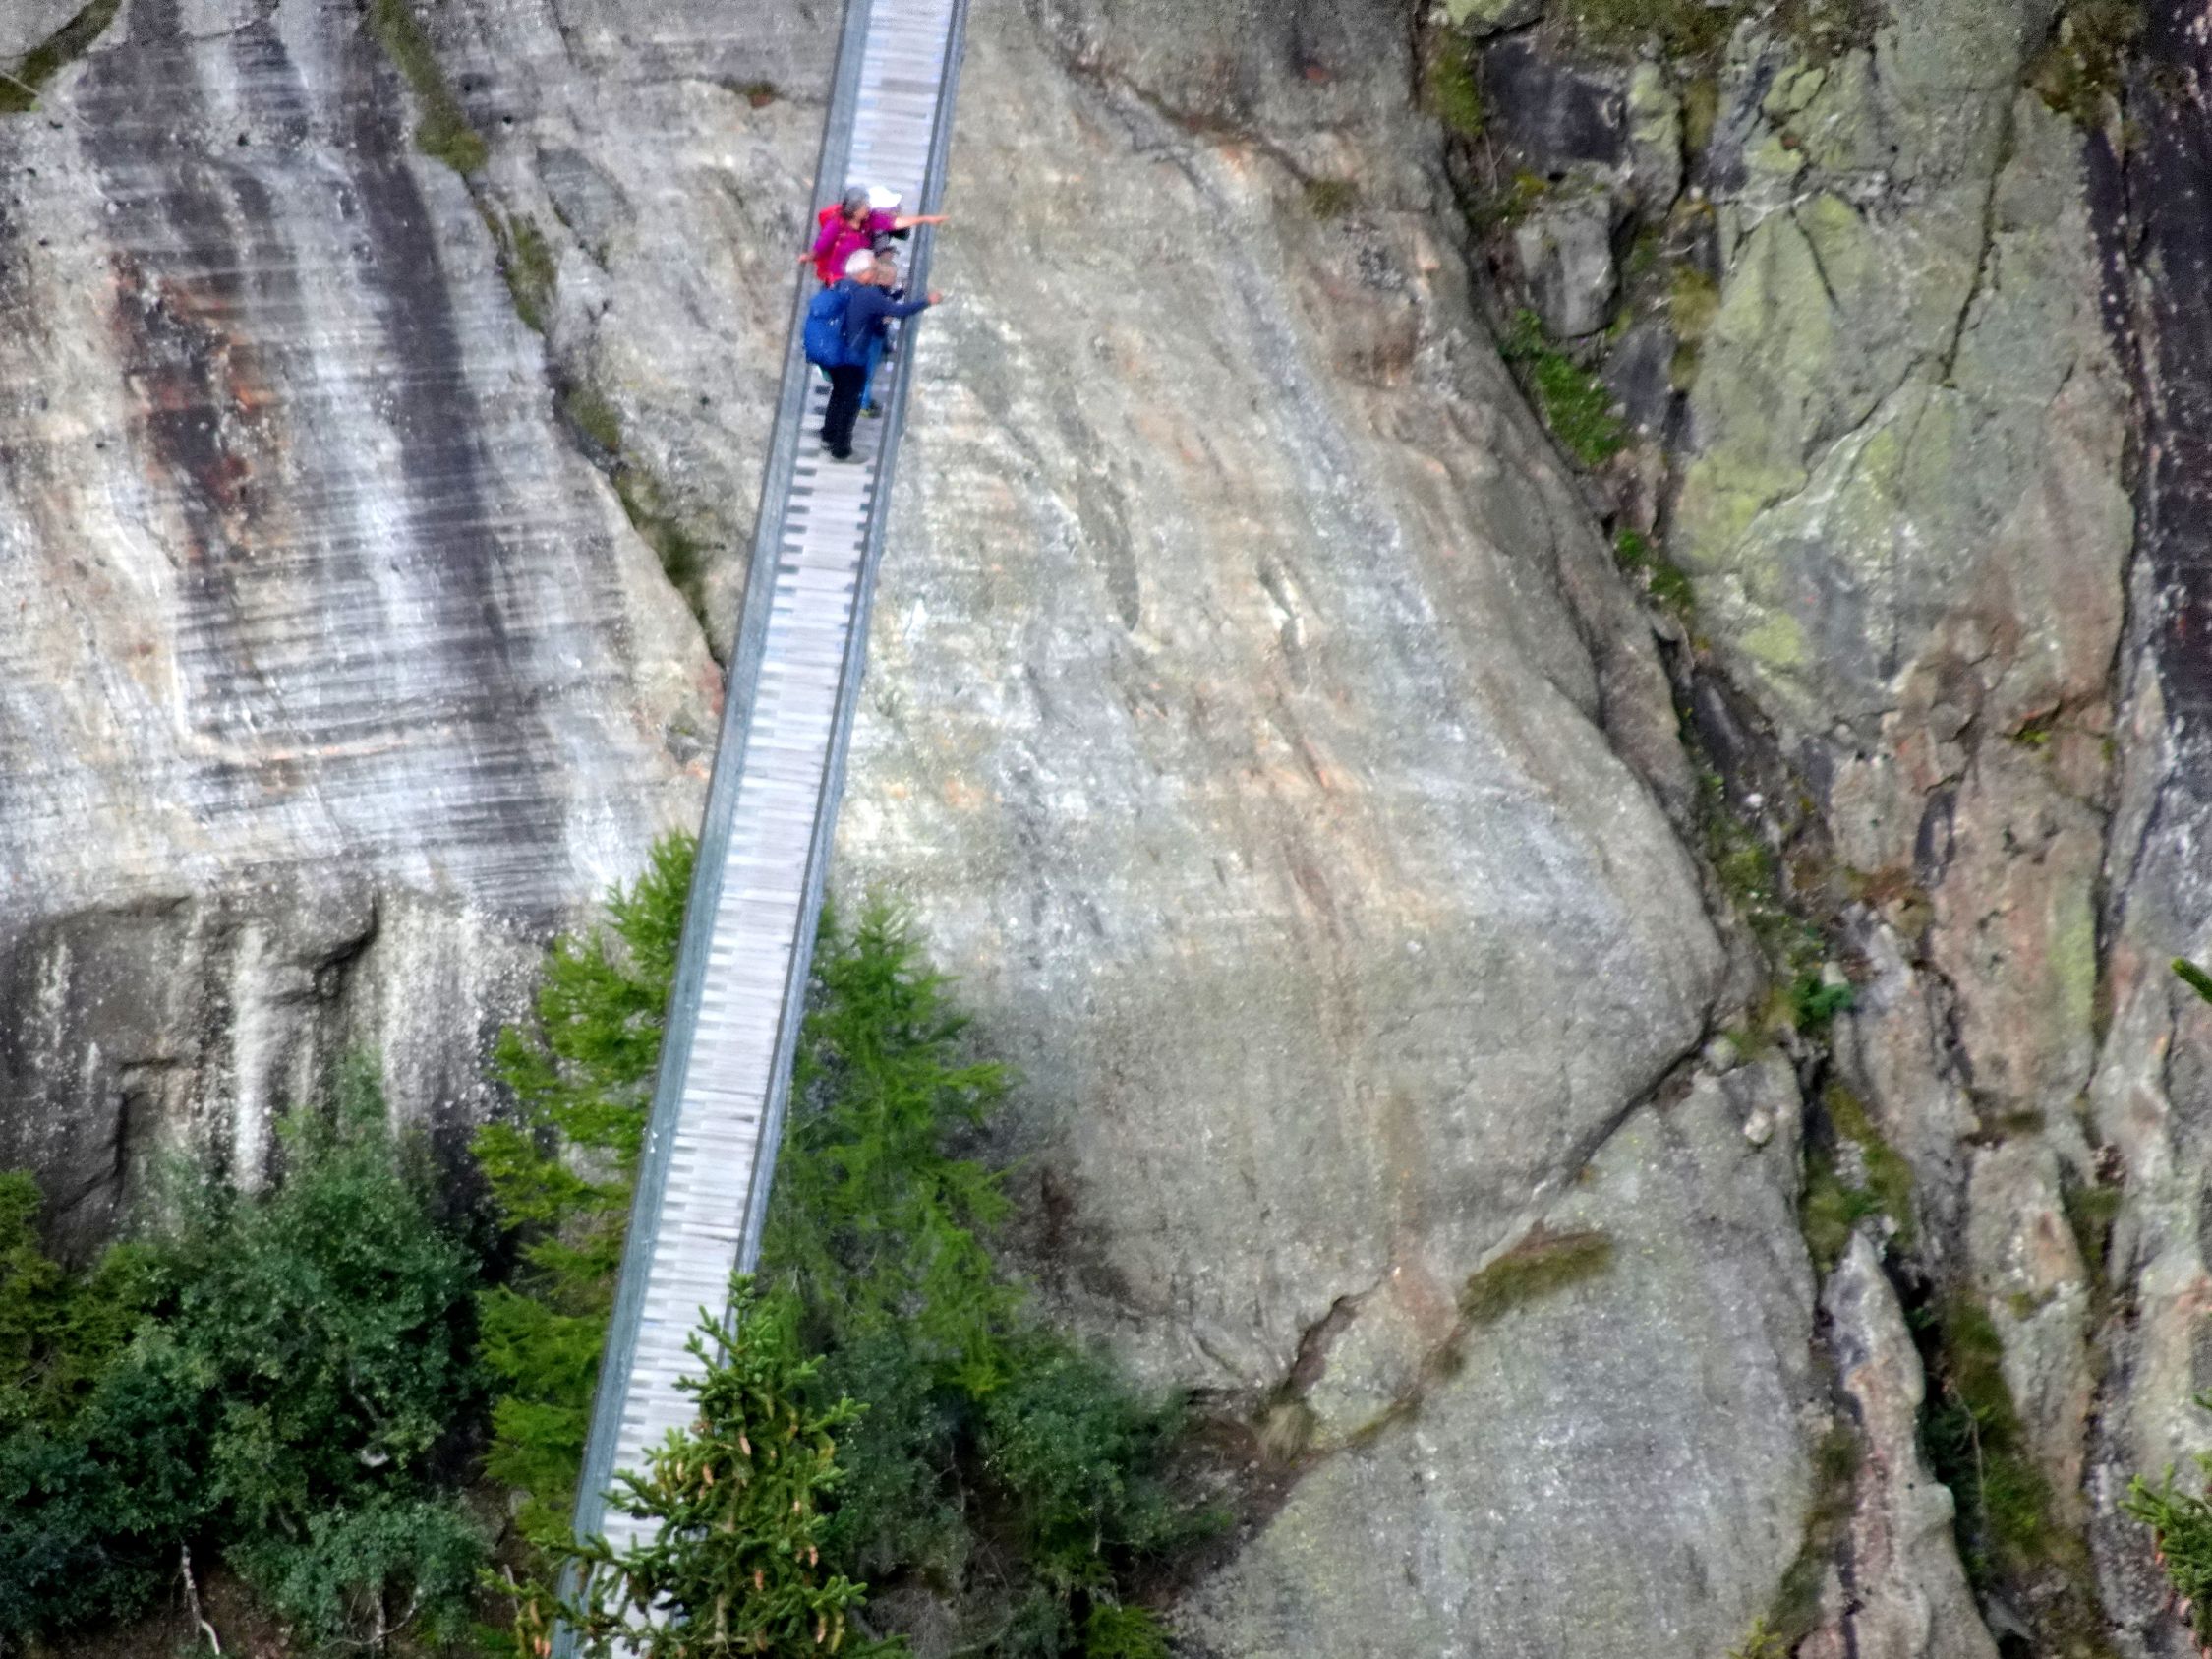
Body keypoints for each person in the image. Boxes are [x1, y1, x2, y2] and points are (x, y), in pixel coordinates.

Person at [820, 251, 941, 460]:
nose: (877, 273)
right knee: (850, 401)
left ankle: (827, 435)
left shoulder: (842, 285)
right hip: (852, 356)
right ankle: (841, 450)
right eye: (874, 269)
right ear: (864, 272)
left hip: (835, 351)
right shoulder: (869, 294)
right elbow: (899, 311)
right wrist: (927, 301)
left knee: (838, 394)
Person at [801, 185, 947, 286]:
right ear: (855, 211)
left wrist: (925, 219)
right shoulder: (836, 225)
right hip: (840, 278)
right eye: (865, 206)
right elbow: (821, 247)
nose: (869, 209)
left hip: (861, 277)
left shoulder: (870, 219)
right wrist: (808, 257)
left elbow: (896, 223)